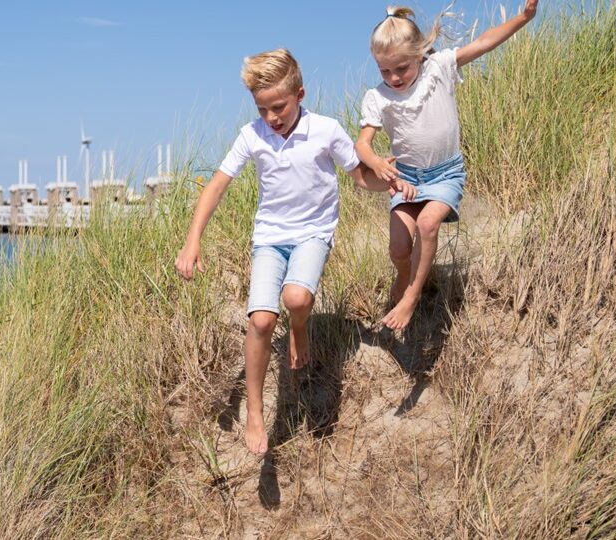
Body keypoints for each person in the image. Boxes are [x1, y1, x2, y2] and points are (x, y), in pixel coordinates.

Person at [176, 49, 414, 456]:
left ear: (300, 94)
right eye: (263, 109)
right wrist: (192, 238)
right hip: (269, 237)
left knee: (296, 298)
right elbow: (216, 184)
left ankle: (300, 328)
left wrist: (387, 182)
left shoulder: (326, 129)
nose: (272, 117)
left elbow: (358, 176)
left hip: (313, 234)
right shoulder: (253, 134)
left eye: (279, 107)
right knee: (263, 321)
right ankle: (255, 410)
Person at [357, 2, 539, 330]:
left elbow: (484, 41)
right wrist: (377, 165)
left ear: (419, 53)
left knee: (428, 225)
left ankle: (412, 296)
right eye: (385, 70)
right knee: (399, 248)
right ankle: (406, 274)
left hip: (445, 174)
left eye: (402, 68)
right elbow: (362, 145)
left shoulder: (439, 67)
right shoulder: (378, 96)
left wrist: (522, 18)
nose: (394, 77)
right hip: (406, 178)